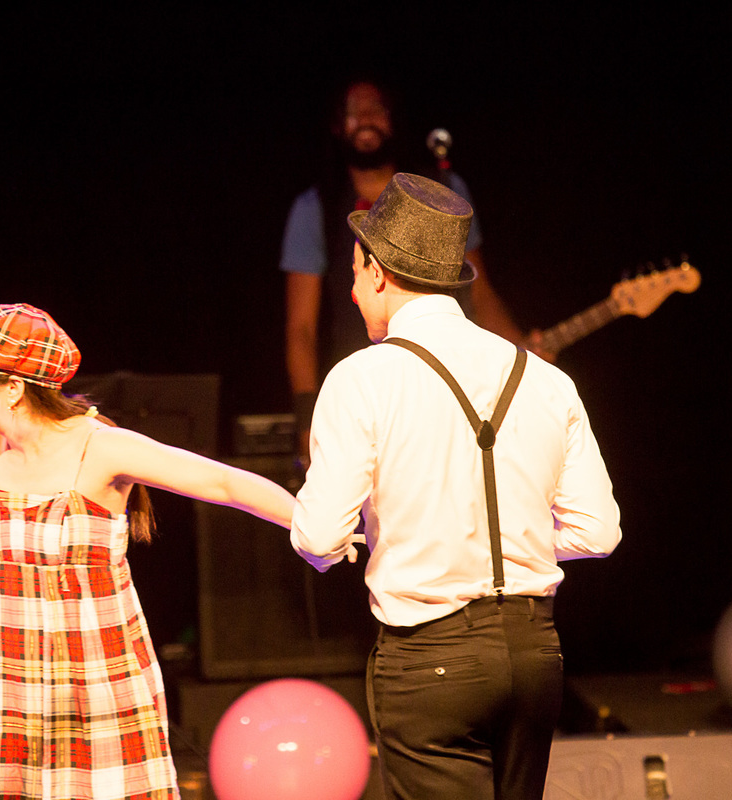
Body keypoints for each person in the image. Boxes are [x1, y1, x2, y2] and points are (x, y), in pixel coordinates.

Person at [289, 174, 622, 800]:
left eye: (355, 274)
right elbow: (598, 533)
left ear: (378, 272)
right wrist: (506, 544)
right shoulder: (546, 379)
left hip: (430, 657)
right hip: (535, 654)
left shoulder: (362, 378)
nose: (353, 293)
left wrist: (420, 539)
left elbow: (318, 538)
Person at [0, 303, 296, 799]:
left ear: (13, 388)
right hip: (3, 685)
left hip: (94, 682)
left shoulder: (100, 446)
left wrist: (312, 527)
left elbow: (223, 483)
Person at [282, 79, 538, 458]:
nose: (365, 118)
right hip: (369, 401)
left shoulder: (443, 190)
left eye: (375, 109)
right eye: (353, 111)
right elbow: (301, 329)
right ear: (336, 126)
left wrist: (523, 360)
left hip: (453, 383)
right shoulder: (315, 209)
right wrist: (307, 419)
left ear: (393, 119)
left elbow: (479, 292)